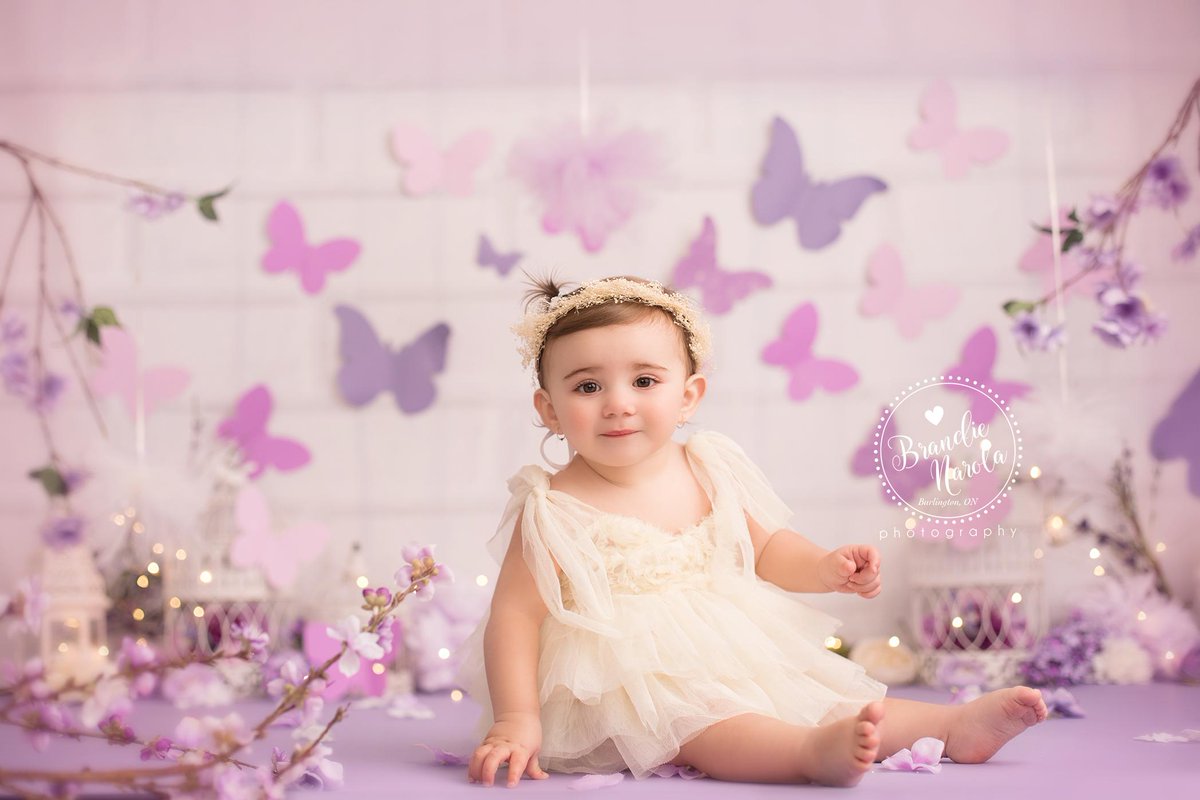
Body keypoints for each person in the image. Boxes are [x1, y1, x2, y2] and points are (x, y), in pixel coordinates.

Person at [458, 275, 1047, 788]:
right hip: (624, 676)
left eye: (644, 381)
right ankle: (806, 756)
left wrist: (822, 567)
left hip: (723, 641)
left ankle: (949, 726)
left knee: (821, 696)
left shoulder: (707, 466)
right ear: (550, 409)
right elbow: (515, 615)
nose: (617, 404)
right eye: (588, 386)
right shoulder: (555, 503)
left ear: (688, 396)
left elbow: (766, 547)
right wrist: (517, 718)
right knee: (705, 725)